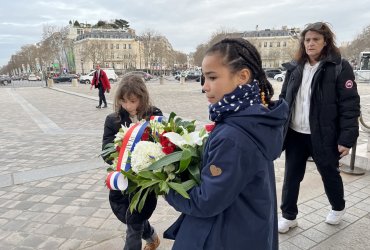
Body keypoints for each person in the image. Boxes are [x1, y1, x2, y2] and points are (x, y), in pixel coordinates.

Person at [163, 38, 289, 249]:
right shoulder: (254, 118)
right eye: (204, 78)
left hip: (223, 235)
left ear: (242, 76)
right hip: (248, 227)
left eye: (212, 77)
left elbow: (205, 202)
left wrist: (166, 186)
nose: (205, 86)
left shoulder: (233, 136)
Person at [278, 22, 360, 233]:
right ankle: (289, 216)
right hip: (296, 133)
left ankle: (338, 207)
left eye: (316, 39)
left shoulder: (339, 67)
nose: (311, 43)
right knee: (291, 176)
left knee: (329, 173)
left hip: (324, 135)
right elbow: (283, 99)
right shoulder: (294, 67)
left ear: (325, 42)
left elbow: (349, 105)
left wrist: (346, 139)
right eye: (307, 40)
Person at [102, 75, 162, 250]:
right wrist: (119, 153)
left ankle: (145, 241)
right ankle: (151, 236)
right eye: (123, 101)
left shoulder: (154, 115)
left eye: (132, 101)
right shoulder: (112, 120)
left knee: (134, 224)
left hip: (145, 181)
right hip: (122, 179)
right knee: (129, 217)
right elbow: (105, 149)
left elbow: (163, 144)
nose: (128, 106)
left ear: (142, 98)